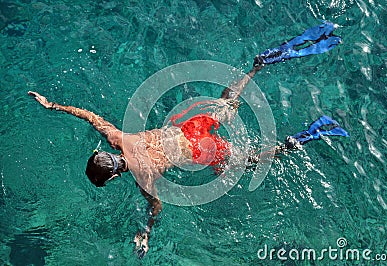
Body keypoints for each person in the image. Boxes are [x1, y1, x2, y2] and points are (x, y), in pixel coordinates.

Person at [28, 21, 348, 259]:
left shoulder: (145, 177)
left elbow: (156, 207)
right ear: (105, 152)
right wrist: (53, 105)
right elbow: (89, 116)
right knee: (227, 104)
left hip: (199, 150)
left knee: (252, 160)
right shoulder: (118, 138)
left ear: (113, 176)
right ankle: (259, 65)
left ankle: (310, 134)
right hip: (187, 127)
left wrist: (145, 234)